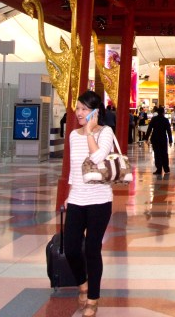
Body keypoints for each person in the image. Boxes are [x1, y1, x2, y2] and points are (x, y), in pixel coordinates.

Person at [65, 90, 114, 317]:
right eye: (77, 108)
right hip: (77, 198)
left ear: (95, 112)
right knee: (72, 247)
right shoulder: (73, 135)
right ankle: (82, 284)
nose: (79, 113)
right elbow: (74, 167)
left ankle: (93, 297)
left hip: (100, 199)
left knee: (93, 248)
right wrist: (69, 193)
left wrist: (89, 133)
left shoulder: (105, 132)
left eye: (84, 109)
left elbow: (97, 158)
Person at [144, 106, 173, 175]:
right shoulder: (165, 120)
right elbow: (169, 131)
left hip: (155, 138)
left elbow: (149, 129)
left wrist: (146, 138)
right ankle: (166, 169)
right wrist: (170, 140)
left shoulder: (154, 119)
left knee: (157, 154)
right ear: (163, 112)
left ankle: (159, 169)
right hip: (163, 138)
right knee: (164, 154)